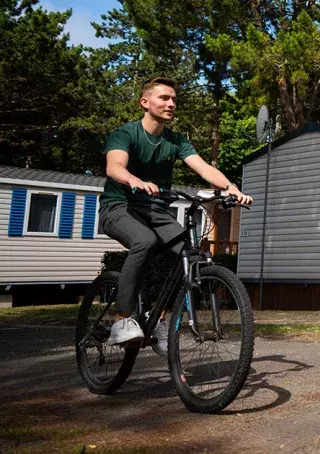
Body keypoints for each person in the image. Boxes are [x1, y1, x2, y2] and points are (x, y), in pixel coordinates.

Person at [99, 76, 253, 355]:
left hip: (154, 209)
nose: (171, 103)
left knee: (189, 256)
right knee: (144, 241)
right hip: (119, 206)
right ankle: (122, 319)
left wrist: (231, 187)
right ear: (144, 102)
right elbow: (114, 166)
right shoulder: (126, 133)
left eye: (173, 99)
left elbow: (204, 168)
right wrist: (134, 180)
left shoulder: (176, 140)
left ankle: (159, 318)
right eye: (164, 98)